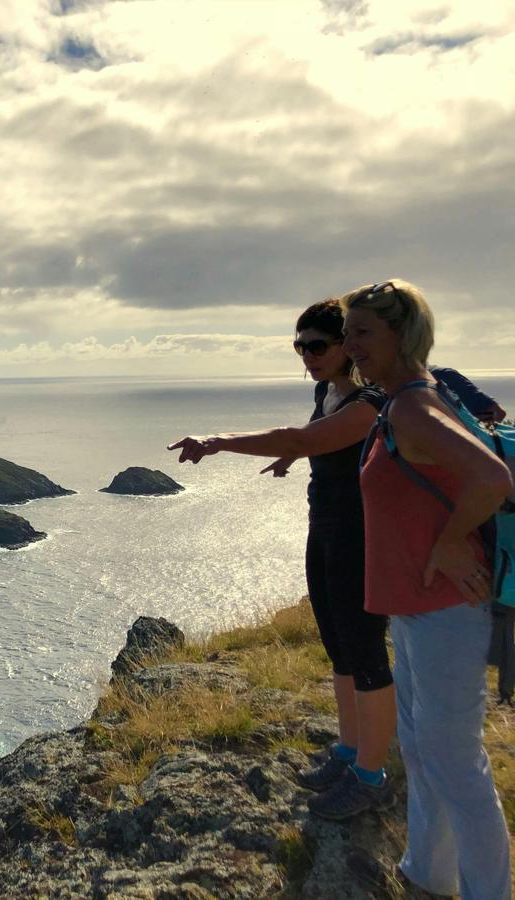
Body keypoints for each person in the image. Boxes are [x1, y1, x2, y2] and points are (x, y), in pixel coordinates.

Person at [167, 298, 396, 819]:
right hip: (328, 524)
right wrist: (294, 455)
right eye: (300, 346)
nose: (307, 356)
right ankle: (347, 749)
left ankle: (371, 774)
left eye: (317, 345)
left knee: (365, 652)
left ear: (348, 345)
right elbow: (314, 437)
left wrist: (219, 442)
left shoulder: (373, 399)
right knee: (336, 642)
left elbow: (308, 435)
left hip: (363, 534)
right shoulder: (331, 391)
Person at [342, 279, 512, 899]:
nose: (350, 343)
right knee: (421, 749)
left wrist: (447, 543)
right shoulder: (403, 401)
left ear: (400, 334)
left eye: (363, 331)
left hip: (445, 609)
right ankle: (426, 872)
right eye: (348, 331)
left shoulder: (415, 406)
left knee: (455, 762)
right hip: (417, 608)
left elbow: (491, 478)